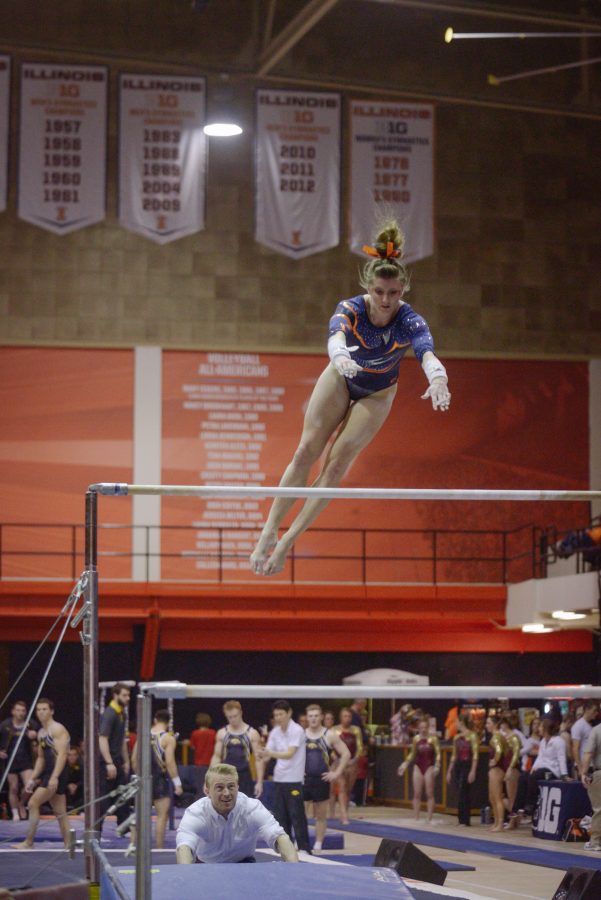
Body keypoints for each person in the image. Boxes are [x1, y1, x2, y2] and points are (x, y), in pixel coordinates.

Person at [249, 219, 451, 577]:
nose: (385, 300)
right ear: (367, 287)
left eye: (393, 293)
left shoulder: (410, 320)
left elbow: (426, 352)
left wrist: (438, 378)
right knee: (306, 451)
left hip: (378, 392)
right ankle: (269, 530)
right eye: (379, 292)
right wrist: (340, 355)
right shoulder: (351, 309)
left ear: (403, 289)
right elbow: (336, 335)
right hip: (341, 378)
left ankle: (286, 542)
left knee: (335, 466)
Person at [176, 763, 298, 863]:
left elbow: (279, 837)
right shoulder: (196, 813)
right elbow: (184, 847)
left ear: (237, 787)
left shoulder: (252, 808)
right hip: (206, 865)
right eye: (219, 788)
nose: (226, 793)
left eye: (231, 787)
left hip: (244, 865)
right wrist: (186, 877)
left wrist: (294, 870)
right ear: (207, 791)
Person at [13, 698, 70, 849]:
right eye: (38, 710)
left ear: (52, 711)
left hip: (58, 771)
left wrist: (55, 777)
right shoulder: (41, 732)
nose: (41, 712)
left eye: (44, 709)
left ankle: (28, 842)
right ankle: (69, 843)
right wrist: (32, 778)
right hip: (49, 771)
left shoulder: (57, 729)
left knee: (33, 803)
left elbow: (62, 755)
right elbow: (41, 758)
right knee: (60, 811)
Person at [255, 700, 311, 853]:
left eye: (281, 714)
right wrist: (261, 754)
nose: (278, 718)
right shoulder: (275, 732)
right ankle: (287, 847)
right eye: (276, 715)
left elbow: (289, 753)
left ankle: (304, 847)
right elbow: (268, 755)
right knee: (281, 817)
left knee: (297, 815)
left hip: (294, 780)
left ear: (289, 713)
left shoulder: (297, 730)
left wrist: (269, 753)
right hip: (279, 779)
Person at [130, 709, 183, 849]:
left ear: (155, 720)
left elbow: (134, 759)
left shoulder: (142, 736)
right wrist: (177, 783)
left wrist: (138, 776)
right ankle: (159, 849)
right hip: (159, 780)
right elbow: (170, 762)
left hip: (143, 778)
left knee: (139, 816)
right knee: (161, 816)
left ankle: (133, 846)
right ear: (168, 723)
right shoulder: (168, 739)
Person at [303, 704, 350, 851]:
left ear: (321, 717)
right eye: (311, 716)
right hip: (304, 780)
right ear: (307, 718)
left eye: (316, 716)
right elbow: (292, 755)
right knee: (300, 815)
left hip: (322, 779)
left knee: (321, 815)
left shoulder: (329, 735)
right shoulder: (301, 735)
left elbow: (346, 754)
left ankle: (318, 843)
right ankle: (301, 842)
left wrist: (336, 773)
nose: (313, 719)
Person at [98, 682, 131, 834]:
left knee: (123, 796)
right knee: (103, 800)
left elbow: (122, 740)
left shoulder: (121, 713)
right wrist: (109, 763)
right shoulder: (110, 713)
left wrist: (126, 761)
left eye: (128, 695)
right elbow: (102, 738)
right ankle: (96, 831)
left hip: (116, 761)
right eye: (124, 695)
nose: (127, 698)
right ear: (115, 695)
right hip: (107, 762)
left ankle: (123, 828)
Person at [211, 700, 261, 798]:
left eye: (235, 716)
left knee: (245, 805)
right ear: (226, 716)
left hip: (244, 775)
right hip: (226, 775)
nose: (233, 719)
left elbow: (258, 759)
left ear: (241, 713)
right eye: (230, 717)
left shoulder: (251, 733)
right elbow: (216, 757)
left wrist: (259, 782)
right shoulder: (222, 733)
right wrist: (210, 780)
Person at [398, 716, 441, 824]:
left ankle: (429, 818)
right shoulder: (416, 739)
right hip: (418, 766)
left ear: (428, 727)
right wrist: (405, 764)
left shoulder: (433, 739)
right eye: (421, 727)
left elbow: (438, 753)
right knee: (417, 793)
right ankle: (416, 817)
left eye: (425, 727)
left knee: (429, 793)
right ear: (418, 728)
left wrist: (437, 765)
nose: (423, 729)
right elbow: (412, 753)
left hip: (429, 766)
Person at [0, 700, 38, 821]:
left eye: (23, 711)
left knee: (29, 785)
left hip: (26, 760)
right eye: (18, 710)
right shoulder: (4, 725)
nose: (20, 713)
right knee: (13, 787)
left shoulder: (31, 724)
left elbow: (40, 738)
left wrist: (35, 735)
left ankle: (21, 803)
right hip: (10, 761)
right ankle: (15, 812)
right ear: (13, 711)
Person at [446, 713, 479, 826]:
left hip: (467, 764)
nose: (455, 724)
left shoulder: (473, 736)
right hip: (458, 765)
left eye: (456, 722)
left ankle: (465, 820)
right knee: (460, 791)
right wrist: (449, 771)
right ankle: (460, 819)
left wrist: (473, 771)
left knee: (464, 791)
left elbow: (475, 755)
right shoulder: (456, 737)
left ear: (461, 722)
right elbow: (454, 755)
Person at [333, 707, 364, 825]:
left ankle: (344, 812)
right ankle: (344, 816)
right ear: (340, 717)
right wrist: (337, 759)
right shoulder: (335, 730)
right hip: (339, 762)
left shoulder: (356, 730)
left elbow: (360, 747)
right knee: (341, 788)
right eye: (345, 716)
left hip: (352, 764)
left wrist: (354, 760)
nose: (347, 719)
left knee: (348, 790)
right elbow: (331, 748)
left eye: (349, 716)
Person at [485, 716, 509, 833]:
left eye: (488, 723)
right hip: (494, 769)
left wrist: (495, 760)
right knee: (492, 797)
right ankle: (496, 822)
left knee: (497, 797)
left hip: (497, 769)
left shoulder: (496, 737)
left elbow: (499, 751)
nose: (486, 725)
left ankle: (500, 823)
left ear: (494, 725)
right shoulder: (497, 736)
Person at [580, 720, 601, 851]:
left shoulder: (596, 730)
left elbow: (588, 753)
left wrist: (583, 773)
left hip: (600, 773)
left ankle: (595, 841)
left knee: (599, 809)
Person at [572, 701, 599, 777]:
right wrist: (580, 768)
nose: (596, 713)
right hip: (584, 765)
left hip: (591, 765)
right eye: (594, 710)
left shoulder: (590, 726)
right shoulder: (578, 725)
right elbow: (575, 748)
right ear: (587, 710)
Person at [189, 712, 216, 784]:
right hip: (211, 762)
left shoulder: (195, 733)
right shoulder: (213, 733)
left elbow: (192, 747)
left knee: (200, 783)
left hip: (199, 763)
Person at [65, 746, 84, 812]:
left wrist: (76, 785)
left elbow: (84, 780)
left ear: (77, 756)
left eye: (74, 755)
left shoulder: (82, 766)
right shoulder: (62, 766)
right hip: (65, 790)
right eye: (69, 755)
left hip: (78, 791)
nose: (72, 757)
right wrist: (68, 785)